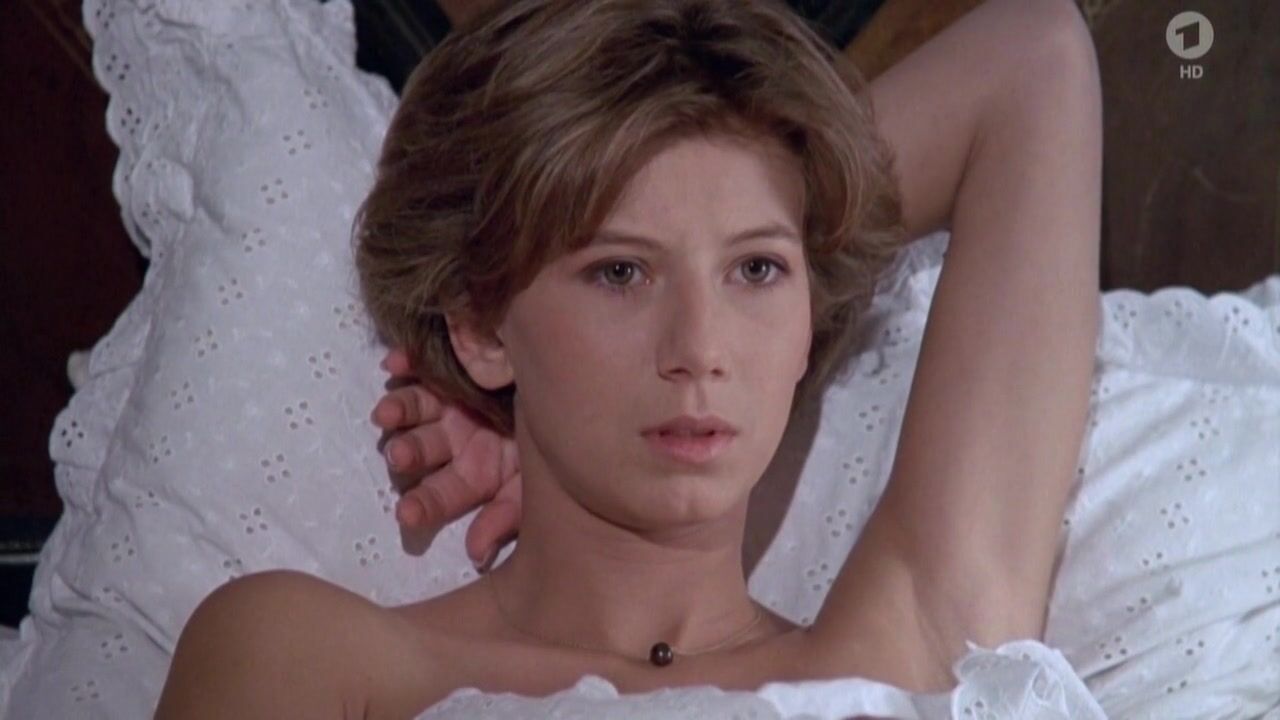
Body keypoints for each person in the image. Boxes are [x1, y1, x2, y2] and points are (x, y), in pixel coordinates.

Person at [155, 0, 1102, 717]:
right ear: (480, 326)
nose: (700, 351)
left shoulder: (917, 645)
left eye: (757, 270)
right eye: (620, 273)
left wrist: (800, 180)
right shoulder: (311, 658)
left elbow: (1035, 56)